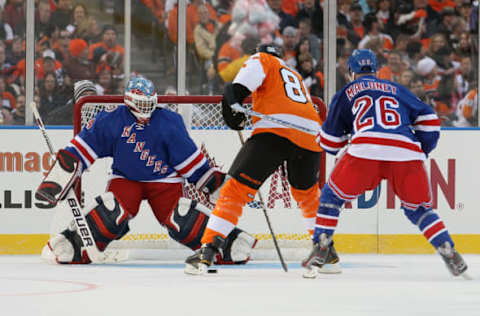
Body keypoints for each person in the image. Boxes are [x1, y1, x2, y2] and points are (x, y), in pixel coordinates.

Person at [36, 75, 256, 265]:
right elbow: (80, 150)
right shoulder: (112, 120)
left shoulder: (168, 122)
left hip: (165, 181)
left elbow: (192, 162)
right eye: (141, 104)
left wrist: (214, 183)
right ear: (129, 102)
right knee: (112, 209)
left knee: (181, 217)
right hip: (126, 178)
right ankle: (75, 244)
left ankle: (225, 243)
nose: (146, 109)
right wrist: (56, 180)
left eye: (149, 103)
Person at [302, 49, 468, 279]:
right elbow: (430, 121)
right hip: (407, 153)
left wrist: (325, 137)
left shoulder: (346, 92)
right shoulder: (398, 90)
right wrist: (421, 149)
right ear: (377, 71)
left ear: (351, 73)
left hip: (364, 151)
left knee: (332, 198)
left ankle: (321, 244)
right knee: (420, 210)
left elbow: (330, 144)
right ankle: (448, 249)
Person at [184, 44, 326, 275]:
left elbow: (236, 90)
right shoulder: (295, 74)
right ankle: (326, 251)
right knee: (308, 195)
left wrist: (233, 109)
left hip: (275, 130)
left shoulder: (262, 59)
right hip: (311, 135)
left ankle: (208, 250)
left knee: (235, 190)